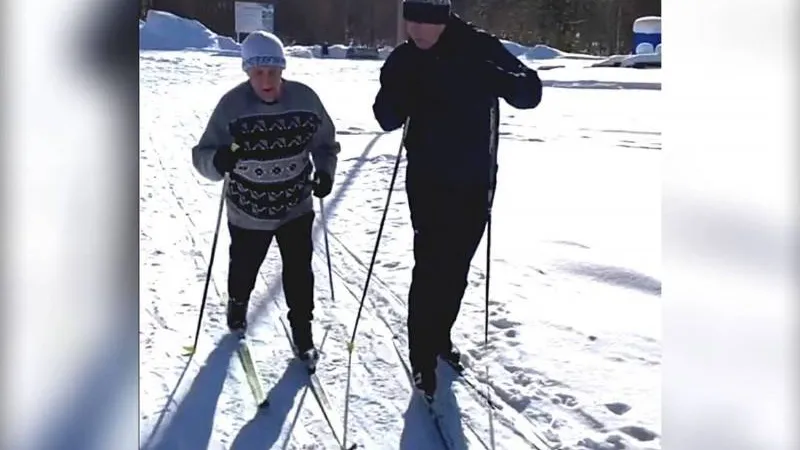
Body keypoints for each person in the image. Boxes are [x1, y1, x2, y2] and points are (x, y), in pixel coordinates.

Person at [372, 0, 543, 397]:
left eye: (424, 21)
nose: (415, 30)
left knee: (457, 269)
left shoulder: (479, 48)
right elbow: (385, 117)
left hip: (475, 181)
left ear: (443, 17)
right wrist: (401, 90)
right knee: (431, 266)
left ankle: (440, 339)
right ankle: (421, 356)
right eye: (409, 19)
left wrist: (500, 75)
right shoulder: (405, 59)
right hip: (429, 181)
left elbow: (529, 92)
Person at [192, 30, 340, 365]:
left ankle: (303, 331)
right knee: (244, 266)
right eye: (258, 72)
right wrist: (218, 161)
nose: (267, 80)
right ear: (247, 72)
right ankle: (238, 302)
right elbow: (202, 153)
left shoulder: (305, 100)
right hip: (248, 209)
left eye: (273, 71)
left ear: (283, 70)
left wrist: (325, 173)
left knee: (299, 272)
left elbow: (325, 144)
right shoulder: (232, 106)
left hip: (296, 205)